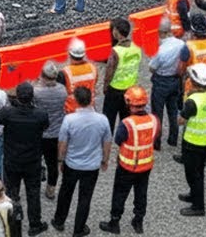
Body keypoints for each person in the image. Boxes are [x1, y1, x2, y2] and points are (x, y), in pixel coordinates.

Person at [53, 86, 111, 236]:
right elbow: (107, 142)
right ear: (91, 100)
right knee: (85, 198)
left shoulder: (69, 120)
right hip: (92, 166)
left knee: (66, 192)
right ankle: (78, 230)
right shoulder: (102, 120)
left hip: (72, 164)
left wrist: (60, 160)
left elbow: (63, 143)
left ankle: (59, 220)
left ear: (77, 101)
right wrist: (105, 160)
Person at [99, 85, 156, 235]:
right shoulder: (153, 120)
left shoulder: (127, 123)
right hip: (146, 166)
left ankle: (114, 222)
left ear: (129, 103)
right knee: (141, 193)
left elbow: (118, 140)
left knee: (119, 194)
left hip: (127, 166)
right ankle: (138, 221)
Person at [0, 82, 49, 236]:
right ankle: (35, 224)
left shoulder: (7, 113)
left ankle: (11, 221)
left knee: (11, 193)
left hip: (12, 160)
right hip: (32, 162)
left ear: (17, 97)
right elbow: (45, 126)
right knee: (33, 194)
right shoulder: (40, 115)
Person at [179, 63, 206, 217]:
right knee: (199, 172)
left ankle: (198, 206)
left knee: (192, 174)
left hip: (193, 141)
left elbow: (181, 120)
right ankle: (193, 194)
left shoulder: (193, 100)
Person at [33, 61, 69, 201]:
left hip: (40, 133)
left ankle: (35, 185)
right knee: (53, 163)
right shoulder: (62, 90)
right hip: (56, 133)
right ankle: (51, 189)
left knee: (36, 160)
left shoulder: (37, 92)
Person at [103, 18, 143, 132]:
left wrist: (105, 87)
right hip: (129, 89)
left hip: (114, 89)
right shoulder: (136, 47)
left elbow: (109, 72)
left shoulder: (116, 51)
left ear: (116, 31)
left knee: (109, 118)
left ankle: (107, 140)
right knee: (125, 120)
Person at [150, 17, 185, 149]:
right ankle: (173, 139)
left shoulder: (159, 51)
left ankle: (157, 142)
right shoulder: (181, 44)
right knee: (173, 110)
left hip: (161, 82)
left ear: (160, 33)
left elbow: (152, 68)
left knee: (157, 113)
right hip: (175, 80)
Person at [61, 38, 98, 114]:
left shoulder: (65, 72)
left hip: (72, 109)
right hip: (89, 107)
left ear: (70, 55)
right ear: (83, 55)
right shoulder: (92, 68)